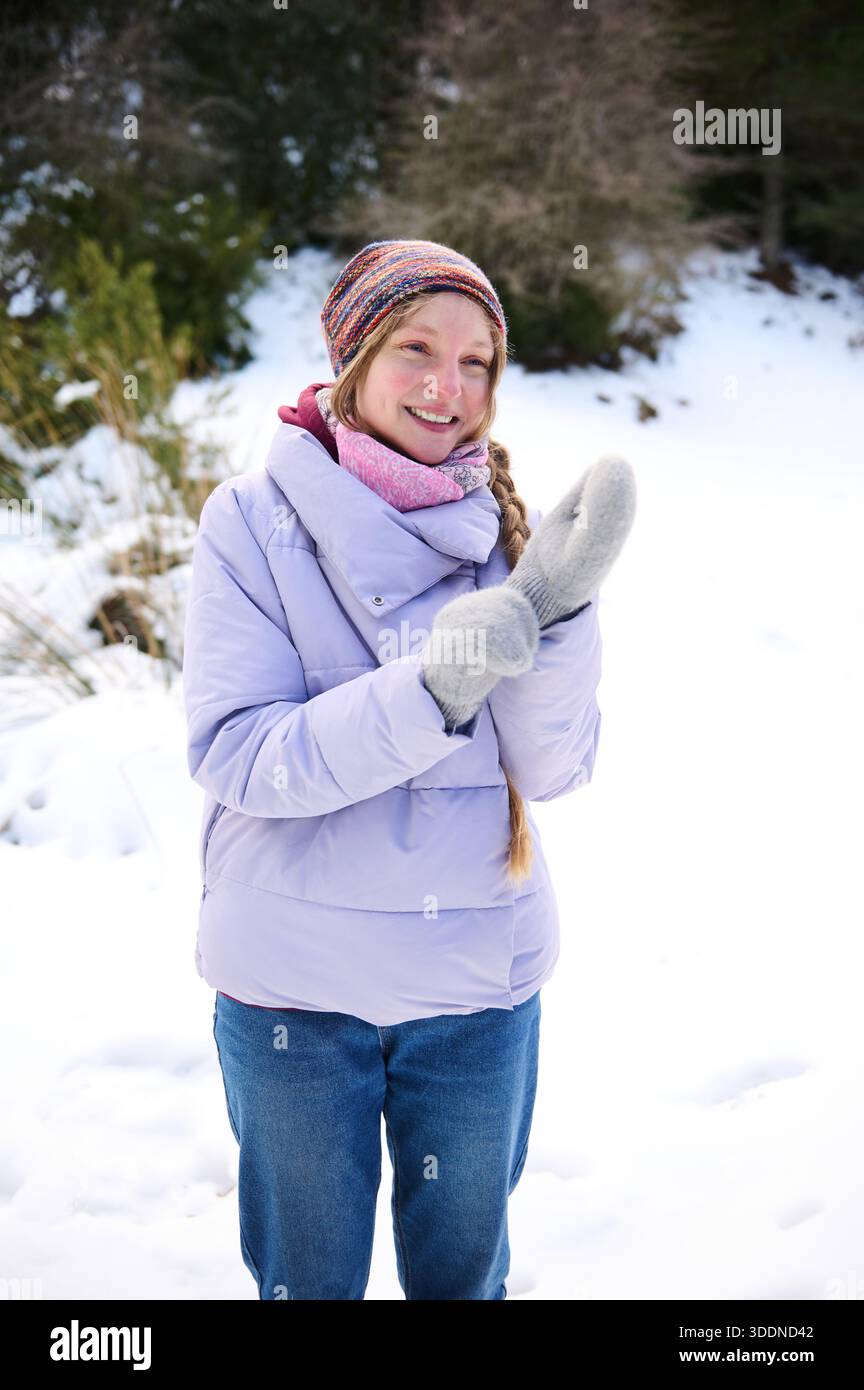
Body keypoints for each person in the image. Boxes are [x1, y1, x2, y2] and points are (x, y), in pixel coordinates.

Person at [182, 238, 636, 1300]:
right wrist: (429, 691)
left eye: (478, 361)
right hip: (293, 991)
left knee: (464, 1285)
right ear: (351, 358)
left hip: (475, 985)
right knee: (308, 1285)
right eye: (416, 349)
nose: (450, 386)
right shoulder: (250, 523)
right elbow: (240, 755)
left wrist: (551, 615)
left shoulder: (505, 533)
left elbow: (555, 769)